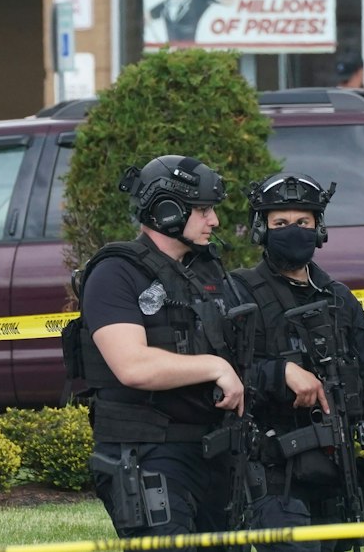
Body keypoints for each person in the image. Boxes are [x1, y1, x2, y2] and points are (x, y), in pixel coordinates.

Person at [69, 155, 246, 539]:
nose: (213, 221)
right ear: (168, 210)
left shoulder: (205, 271)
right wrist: (215, 367)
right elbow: (133, 366)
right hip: (148, 452)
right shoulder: (115, 272)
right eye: (203, 210)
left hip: (214, 452)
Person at [234, 173, 364, 552]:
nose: (292, 231)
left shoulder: (339, 298)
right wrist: (280, 373)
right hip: (275, 472)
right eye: (280, 223)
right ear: (262, 230)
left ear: (319, 228)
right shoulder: (239, 292)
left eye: (303, 222)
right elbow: (221, 370)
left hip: (336, 469)